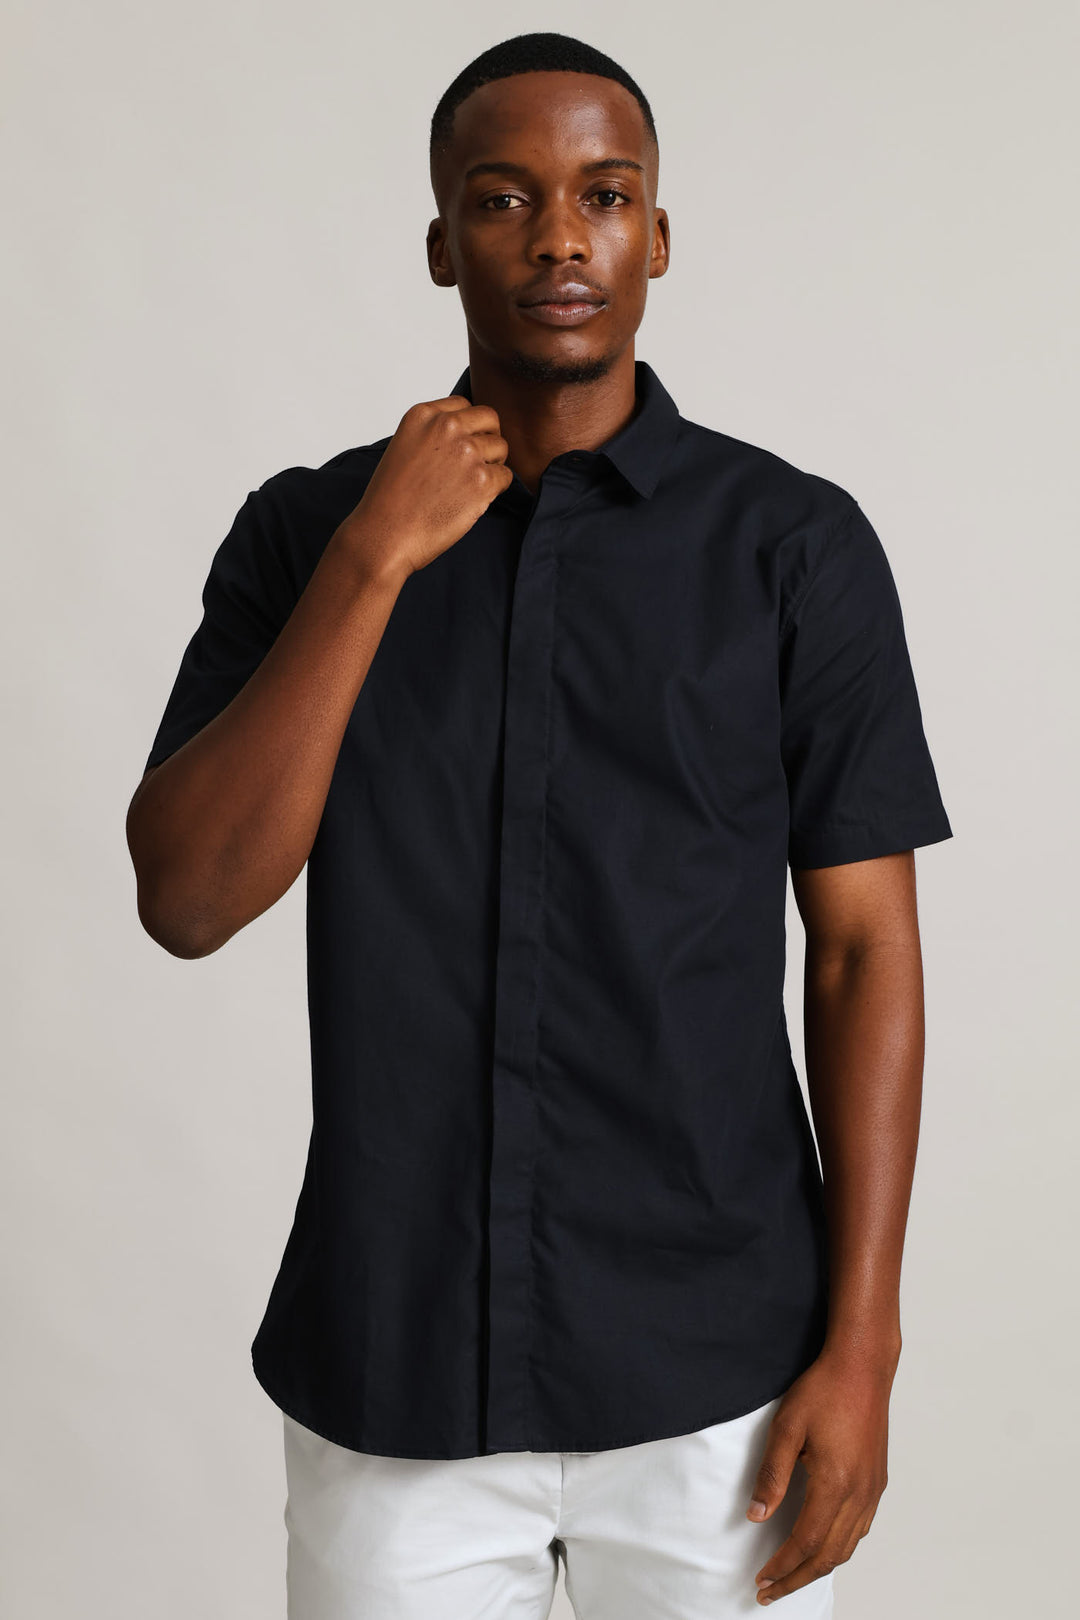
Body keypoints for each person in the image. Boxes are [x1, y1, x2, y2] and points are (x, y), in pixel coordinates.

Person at [126, 30, 953, 1620]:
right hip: (396, 1367)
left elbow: (863, 953)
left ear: (659, 236)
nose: (559, 237)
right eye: (505, 199)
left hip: (725, 1379)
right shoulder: (308, 532)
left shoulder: (793, 548)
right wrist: (376, 558)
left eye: (605, 195)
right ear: (443, 242)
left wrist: (865, 1347)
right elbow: (188, 896)